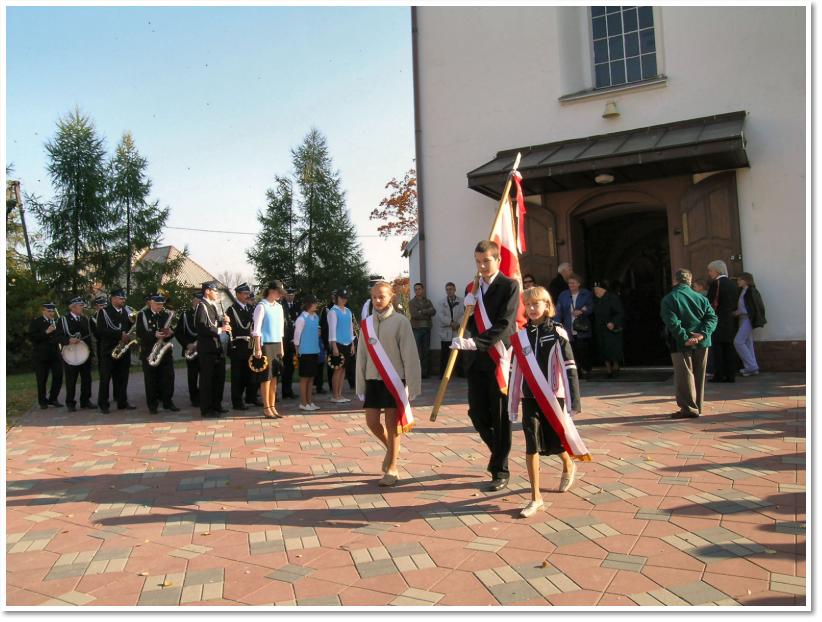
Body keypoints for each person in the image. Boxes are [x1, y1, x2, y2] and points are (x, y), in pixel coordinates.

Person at [508, 286, 588, 517]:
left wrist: (573, 401)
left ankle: (568, 463)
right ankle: (535, 497)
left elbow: (569, 368)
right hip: (529, 397)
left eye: (537, 304)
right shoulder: (521, 336)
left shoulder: (558, 332)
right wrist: (513, 404)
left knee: (554, 441)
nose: (532, 309)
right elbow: (515, 372)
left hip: (554, 397)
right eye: (528, 305)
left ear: (547, 306)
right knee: (532, 443)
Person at [450, 240, 520, 492]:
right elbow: (470, 323)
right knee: (477, 414)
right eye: (478, 262)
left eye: (486, 261)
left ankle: (500, 470)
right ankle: (498, 454)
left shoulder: (510, 286)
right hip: (476, 361)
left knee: (500, 417)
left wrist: (474, 343)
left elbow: (505, 323)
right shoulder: (473, 286)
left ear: (497, 260)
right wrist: (466, 313)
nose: (481, 266)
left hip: (499, 358)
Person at [356, 281, 421, 487]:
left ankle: (392, 468)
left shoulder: (401, 322)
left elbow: (410, 354)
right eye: (374, 296)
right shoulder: (366, 324)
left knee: (392, 425)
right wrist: (360, 384)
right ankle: (391, 451)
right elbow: (362, 356)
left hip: (394, 380)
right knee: (372, 422)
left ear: (391, 296)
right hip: (372, 380)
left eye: (381, 296)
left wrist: (413, 383)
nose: (377, 300)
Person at [661, 269, 717, 419]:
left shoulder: (669, 299)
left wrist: (684, 337)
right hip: (702, 342)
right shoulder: (701, 298)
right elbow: (712, 318)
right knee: (699, 375)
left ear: (675, 281)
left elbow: (672, 322)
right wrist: (702, 334)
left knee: (684, 376)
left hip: (680, 344)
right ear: (690, 281)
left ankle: (688, 408)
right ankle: (698, 406)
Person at [136, 293, 179, 414]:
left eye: (162, 304)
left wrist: (171, 333)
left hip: (164, 351)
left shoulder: (166, 315)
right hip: (149, 351)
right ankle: (152, 405)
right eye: (158, 304)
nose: (160, 306)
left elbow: (171, 331)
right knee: (151, 380)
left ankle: (168, 402)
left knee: (168, 378)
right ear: (151, 303)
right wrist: (153, 335)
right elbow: (140, 333)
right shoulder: (143, 315)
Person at [96, 288, 136, 413]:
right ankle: (104, 404)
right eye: (120, 298)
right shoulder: (104, 312)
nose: (123, 300)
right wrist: (119, 335)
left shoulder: (127, 312)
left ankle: (122, 401)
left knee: (123, 377)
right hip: (109, 350)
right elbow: (100, 331)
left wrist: (130, 336)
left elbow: (132, 328)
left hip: (124, 349)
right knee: (105, 378)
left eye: (124, 298)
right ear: (113, 299)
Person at [251, 281, 286, 418]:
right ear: (271, 291)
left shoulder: (279, 307)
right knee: (266, 377)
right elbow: (256, 330)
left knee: (275, 377)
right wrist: (258, 348)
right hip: (266, 345)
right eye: (278, 292)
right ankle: (266, 408)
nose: (279, 295)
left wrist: (282, 346)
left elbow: (281, 329)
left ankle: (273, 406)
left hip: (277, 344)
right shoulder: (261, 306)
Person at [196, 281, 231, 418]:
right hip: (207, 349)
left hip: (217, 348)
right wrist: (220, 328)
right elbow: (202, 327)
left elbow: (215, 323)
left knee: (218, 379)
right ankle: (206, 409)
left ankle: (217, 405)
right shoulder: (202, 306)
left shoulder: (212, 306)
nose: (217, 293)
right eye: (215, 291)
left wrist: (224, 322)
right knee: (207, 380)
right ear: (207, 291)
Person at [56, 297, 96, 412]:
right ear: (72, 307)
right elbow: (57, 336)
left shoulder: (84, 319)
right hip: (70, 354)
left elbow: (88, 337)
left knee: (86, 379)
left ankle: (85, 401)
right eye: (80, 305)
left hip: (84, 353)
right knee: (71, 379)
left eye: (82, 305)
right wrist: (68, 340)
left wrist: (91, 353)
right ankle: (70, 402)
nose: (82, 307)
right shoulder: (63, 320)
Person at [228, 283, 261, 410]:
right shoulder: (232, 310)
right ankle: (237, 402)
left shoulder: (250, 308)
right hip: (238, 348)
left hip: (250, 347)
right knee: (238, 377)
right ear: (237, 295)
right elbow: (234, 329)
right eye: (245, 294)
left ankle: (251, 397)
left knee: (252, 374)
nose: (247, 296)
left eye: (248, 294)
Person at [555, 274, 594, 379]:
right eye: (569, 283)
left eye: (573, 283)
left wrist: (581, 311)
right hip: (568, 327)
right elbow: (558, 311)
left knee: (583, 350)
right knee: (572, 351)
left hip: (582, 327)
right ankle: (577, 372)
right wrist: (556, 324)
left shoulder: (586, 294)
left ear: (579, 284)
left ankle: (587, 369)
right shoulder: (563, 295)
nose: (570, 285)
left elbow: (591, 306)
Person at [706, 260, 739, 383]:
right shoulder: (732, 284)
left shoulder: (716, 283)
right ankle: (730, 375)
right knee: (729, 347)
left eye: (710, 270)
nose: (709, 273)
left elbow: (709, 302)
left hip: (718, 319)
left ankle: (719, 375)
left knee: (718, 348)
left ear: (716, 270)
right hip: (730, 319)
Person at [28, 302, 63, 409]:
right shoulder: (36, 322)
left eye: (52, 311)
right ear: (43, 311)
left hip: (55, 354)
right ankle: (42, 401)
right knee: (42, 379)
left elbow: (60, 336)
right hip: (41, 356)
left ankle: (53, 398)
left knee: (58, 376)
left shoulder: (57, 321)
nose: (51, 313)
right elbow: (32, 338)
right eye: (49, 311)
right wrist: (46, 332)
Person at [733, 272, 767, 376]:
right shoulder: (744, 290)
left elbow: (752, 307)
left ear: (745, 280)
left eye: (739, 279)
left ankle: (752, 366)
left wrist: (738, 311)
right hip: (743, 319)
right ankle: (751, 367)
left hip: (748, 319)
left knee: (738, 342)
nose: (738, 281)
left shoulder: (751, 291)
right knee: (748, 343)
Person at [293, 294, 321, 411]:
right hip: (304, 352)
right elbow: (297, 336)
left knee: (311, 377)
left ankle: (310, 402)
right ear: (309, 304)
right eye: (314, 303)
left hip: (314, 350)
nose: (316, 305)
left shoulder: (315, 317)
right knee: (304, 378)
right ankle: (303, 403)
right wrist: (297, 350)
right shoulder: (301, 319)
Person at [175, 292, 203, 407]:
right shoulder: (186, 315)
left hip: (203, 349)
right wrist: (187, 344)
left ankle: (203, 396)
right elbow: (178, 332)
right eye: (198, 300)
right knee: (192, 376)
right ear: (194, 300)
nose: (200, 303)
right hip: (190, 349)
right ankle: (194, 398)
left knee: (204, 375)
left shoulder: (205, 314)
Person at [327, 288, 355, 403]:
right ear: (337, 298)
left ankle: (340, 394)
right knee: (337, 370)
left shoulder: (348, 311)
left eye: (346, 298)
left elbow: (351, 328)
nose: (344, 300)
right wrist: (334, 346)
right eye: (342, 298)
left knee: (343, 370)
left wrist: (352, 343)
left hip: (348, 343)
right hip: (338, 344)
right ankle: (335, 395)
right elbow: (332, 330)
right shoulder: (333, 312)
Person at [592, 281, 624, 377]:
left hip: (610, 328)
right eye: (594, 289)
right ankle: (608, 370)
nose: (596, 291)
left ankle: (615, 366)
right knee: (603, 349)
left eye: (598, 289)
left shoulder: (612, 298)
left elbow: (620, 312)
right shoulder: (595, 299)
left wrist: (613, 322)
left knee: (612, 348)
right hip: (600, 328)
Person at [436, 282, 465, 378]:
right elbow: (441, 316)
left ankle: (461, 373)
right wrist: (450, 323)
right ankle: (443, 374)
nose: (449, 291)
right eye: (447, 289)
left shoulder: (462, 301)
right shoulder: (441, 302)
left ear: (455, 290)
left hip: (457, 330)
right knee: (444, 354)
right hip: (446, 331)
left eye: (451, 289)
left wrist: (458, 323)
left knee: (459, 352)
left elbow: (465, 314)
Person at [409, 282, 436, 379]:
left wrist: (422, 311)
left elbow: (433, 311)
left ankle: (425, 373)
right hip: (416, 329)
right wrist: (426, 312)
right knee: (417, 352)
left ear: (422, 290)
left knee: (426, 351)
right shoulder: (411, 302)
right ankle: (417, 373)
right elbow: (414, 314)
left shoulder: (428, 301)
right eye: (415, 289)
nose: (417, 291)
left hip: (427, 329)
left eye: (419, 289)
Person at [280, 288, 300, 399]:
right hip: (285, 341)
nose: (290, 297)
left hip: (294, 340)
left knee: (291, 366)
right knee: (284, 368)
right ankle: (284, 391)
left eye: (292, 295)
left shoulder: (297, 306)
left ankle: (289, 390)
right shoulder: (282, 306)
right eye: (288, 295)